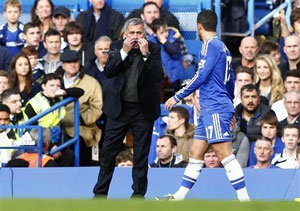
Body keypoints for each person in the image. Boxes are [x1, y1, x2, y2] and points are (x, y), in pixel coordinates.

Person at [160, 10, 250, 201]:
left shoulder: (210, 46)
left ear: (199, 26)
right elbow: (231, 79)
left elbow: (201, 76)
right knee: (195, 151)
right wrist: (231, 105)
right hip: (213, 106)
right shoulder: (223, 48)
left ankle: (245, 200)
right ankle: (179, 197)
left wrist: (178, 96)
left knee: (223, 152)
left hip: (214, 106)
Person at [93, 18, 163, 198]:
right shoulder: (116, 46)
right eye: (131, 33)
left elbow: (157, 77)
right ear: (125, 34)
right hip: (118, 109)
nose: (135, 37)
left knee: (140, 156)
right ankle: (100, 195)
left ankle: (138, 197)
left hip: (143, 110)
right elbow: (108, 71)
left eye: (139, 33)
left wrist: (146, 54)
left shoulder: (153, 49)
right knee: (108, 154)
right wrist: (123, 52)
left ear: (145, 35)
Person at [57, 50, 103, 166]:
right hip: (56, 129)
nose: (72, 65)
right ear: (62, 65)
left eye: (75, 61)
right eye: (68, 62)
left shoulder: (91, 82)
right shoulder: (53, 81)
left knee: (79, 151)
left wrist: (81, 119)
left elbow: (97, 107)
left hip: (81, 129)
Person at [147, 18, 186, 91]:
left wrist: (165, 43)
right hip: (160, 73)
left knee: (178, 90)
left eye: (166, 31)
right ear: (154, 33)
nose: (165, 34)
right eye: (161, 32)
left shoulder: (173, 37)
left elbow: (176, 52)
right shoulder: (151, 41)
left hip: (174, 71)